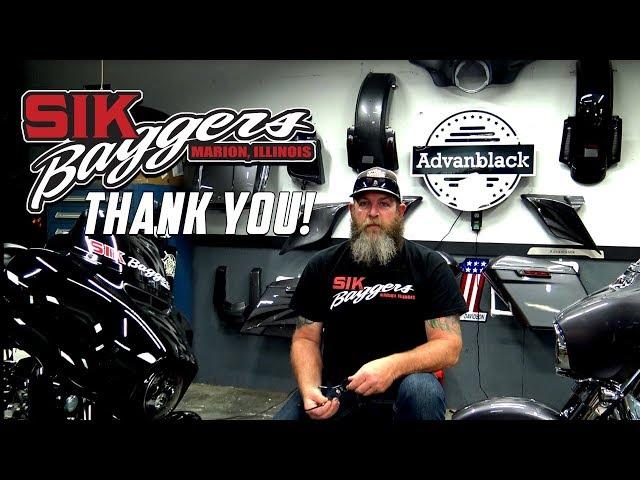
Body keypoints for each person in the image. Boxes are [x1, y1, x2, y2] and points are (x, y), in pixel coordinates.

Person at [273, 167, 468, 421]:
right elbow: (306, 339)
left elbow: (449, 346)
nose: (373, 213)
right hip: (339, 390)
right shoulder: (322, 265)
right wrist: (310, 389)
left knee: (423, 390)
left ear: (400, 211)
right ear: (352, 210)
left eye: (384, 204)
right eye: (364, 203)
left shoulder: (429, 266)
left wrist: (391, 367)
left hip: (403, 388)